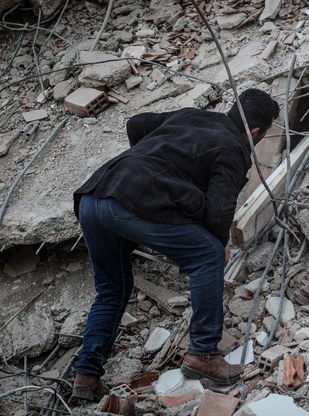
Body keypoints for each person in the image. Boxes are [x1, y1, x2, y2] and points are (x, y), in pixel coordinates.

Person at [70, 88, 280, 402]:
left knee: (112, 289)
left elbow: (136, 124)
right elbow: (219, 210)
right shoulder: (234, 148)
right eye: (262, 137)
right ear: (254, 132)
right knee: (208, 253)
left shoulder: (190, 115)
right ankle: (204, 354)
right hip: (128, 205)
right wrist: (218, 244)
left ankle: (86, 377)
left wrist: (148, 167)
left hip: (93, 197)